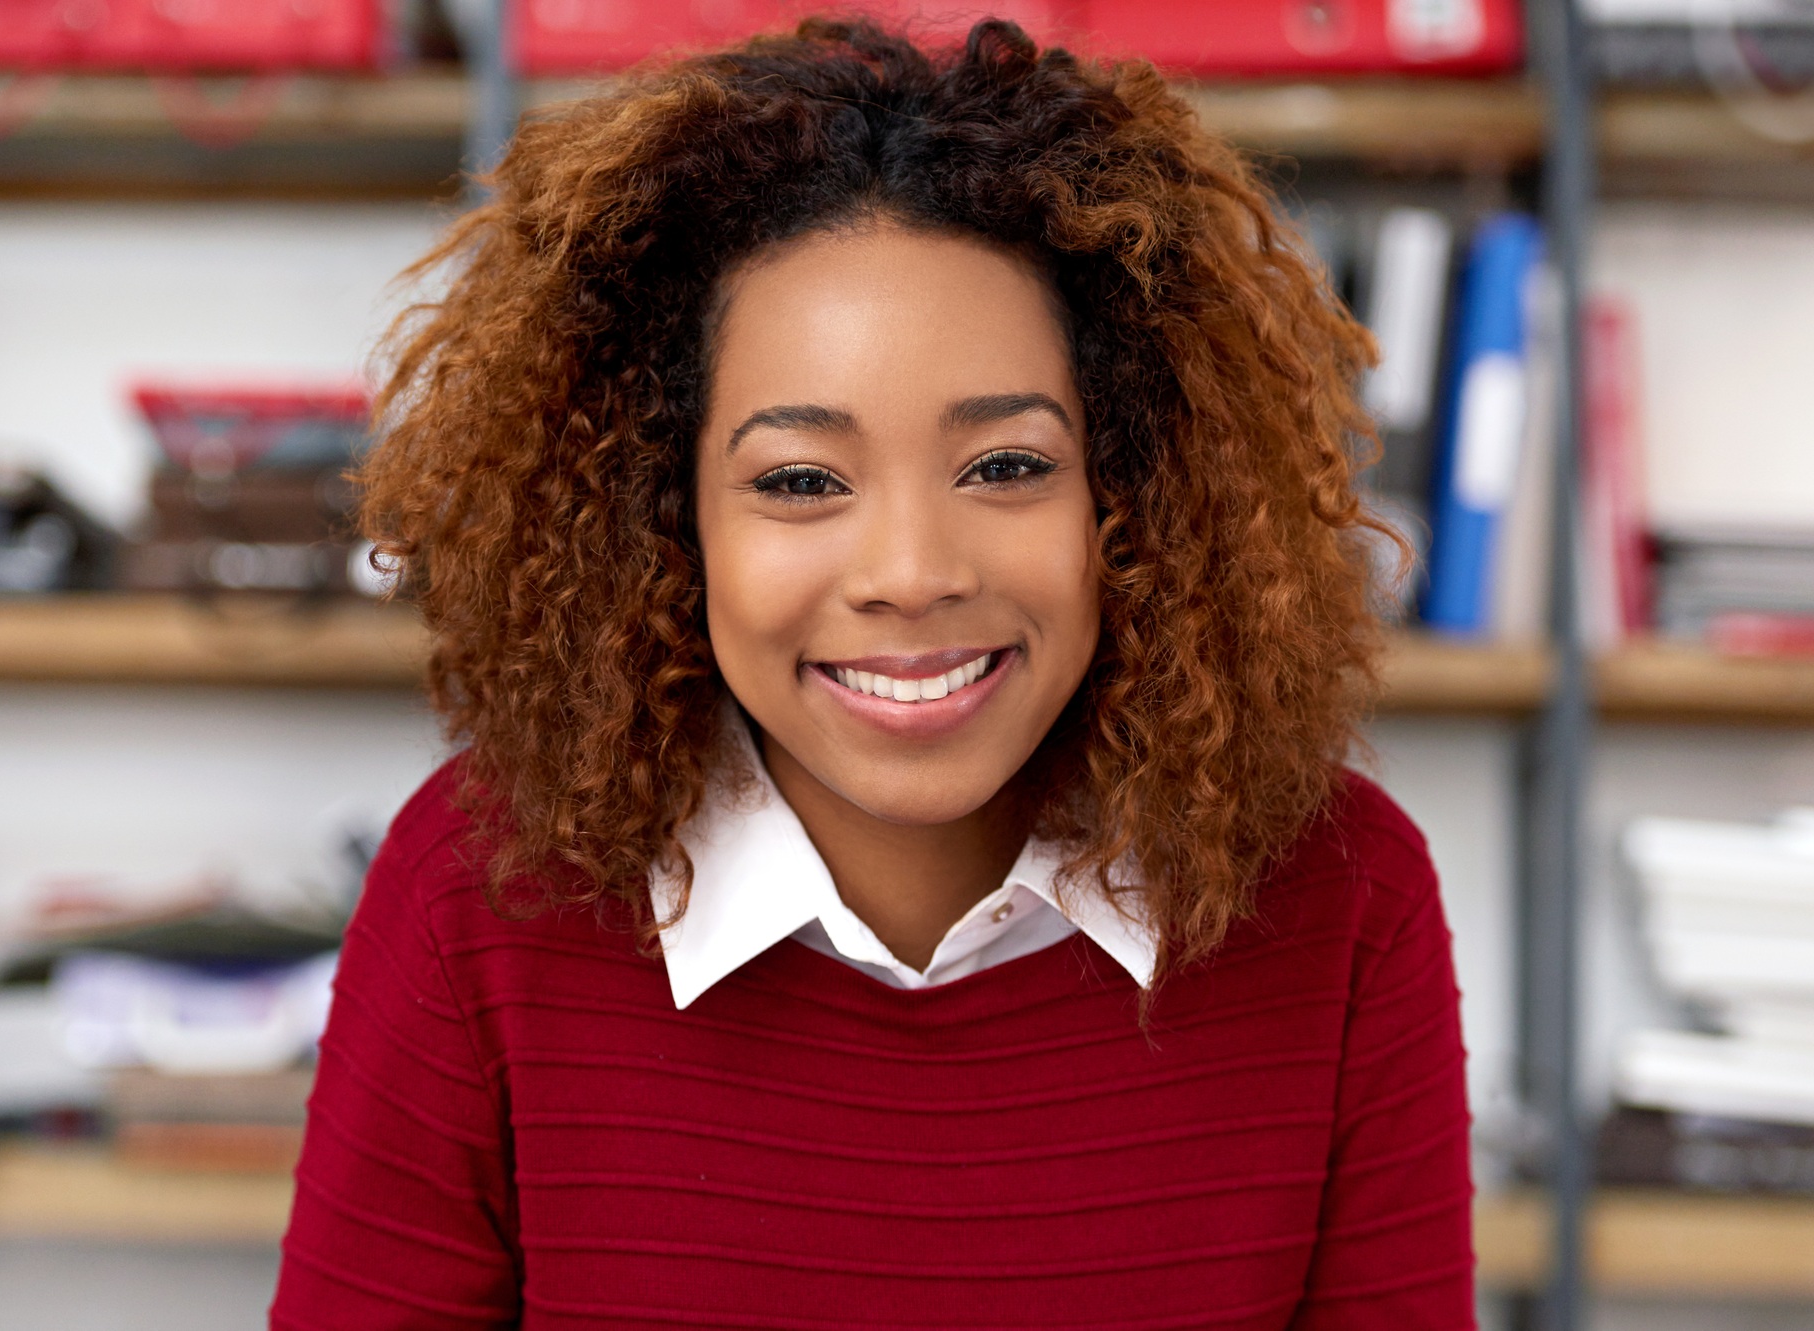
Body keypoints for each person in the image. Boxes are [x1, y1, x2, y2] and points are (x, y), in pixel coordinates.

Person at [270, 17, 1473, 1329]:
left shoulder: (1342, 898)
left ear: (1130, 492)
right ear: (668, 520)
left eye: (1007, 466)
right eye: (799, 481)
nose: (911, 571)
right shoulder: (478, 892)